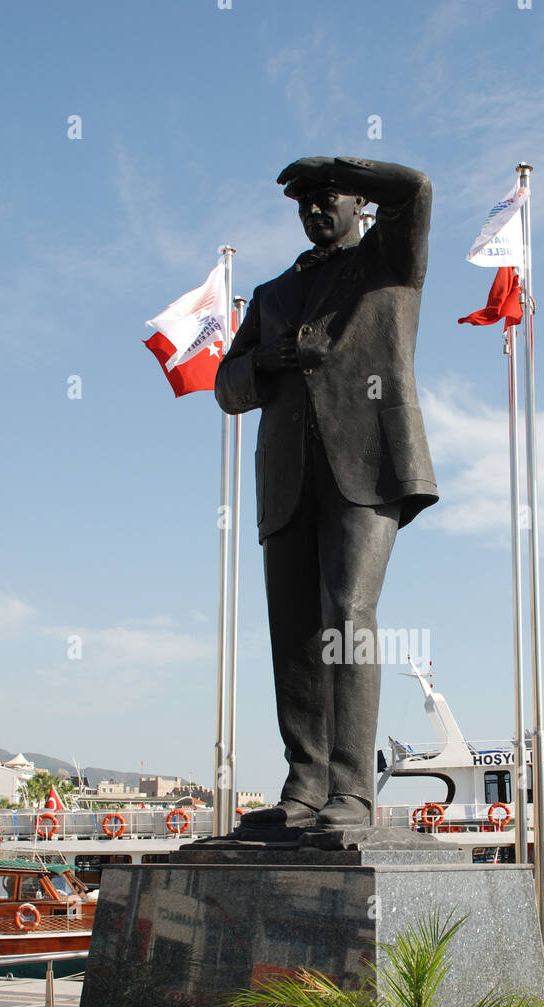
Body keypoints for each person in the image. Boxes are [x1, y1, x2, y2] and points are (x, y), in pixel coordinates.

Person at [216, 156, 438, 833]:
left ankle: (352, 791)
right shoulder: (273, 294)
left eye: (329, 197)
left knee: (349, 616)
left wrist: (341, 163)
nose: (316, 209)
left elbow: (416, 190)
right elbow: (228, 387)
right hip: (286, 477)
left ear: (358, 203)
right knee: (294, 635)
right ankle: (304, 786)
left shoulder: (387, 262)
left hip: (366, 467)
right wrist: (270, 361)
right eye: (305, 201)